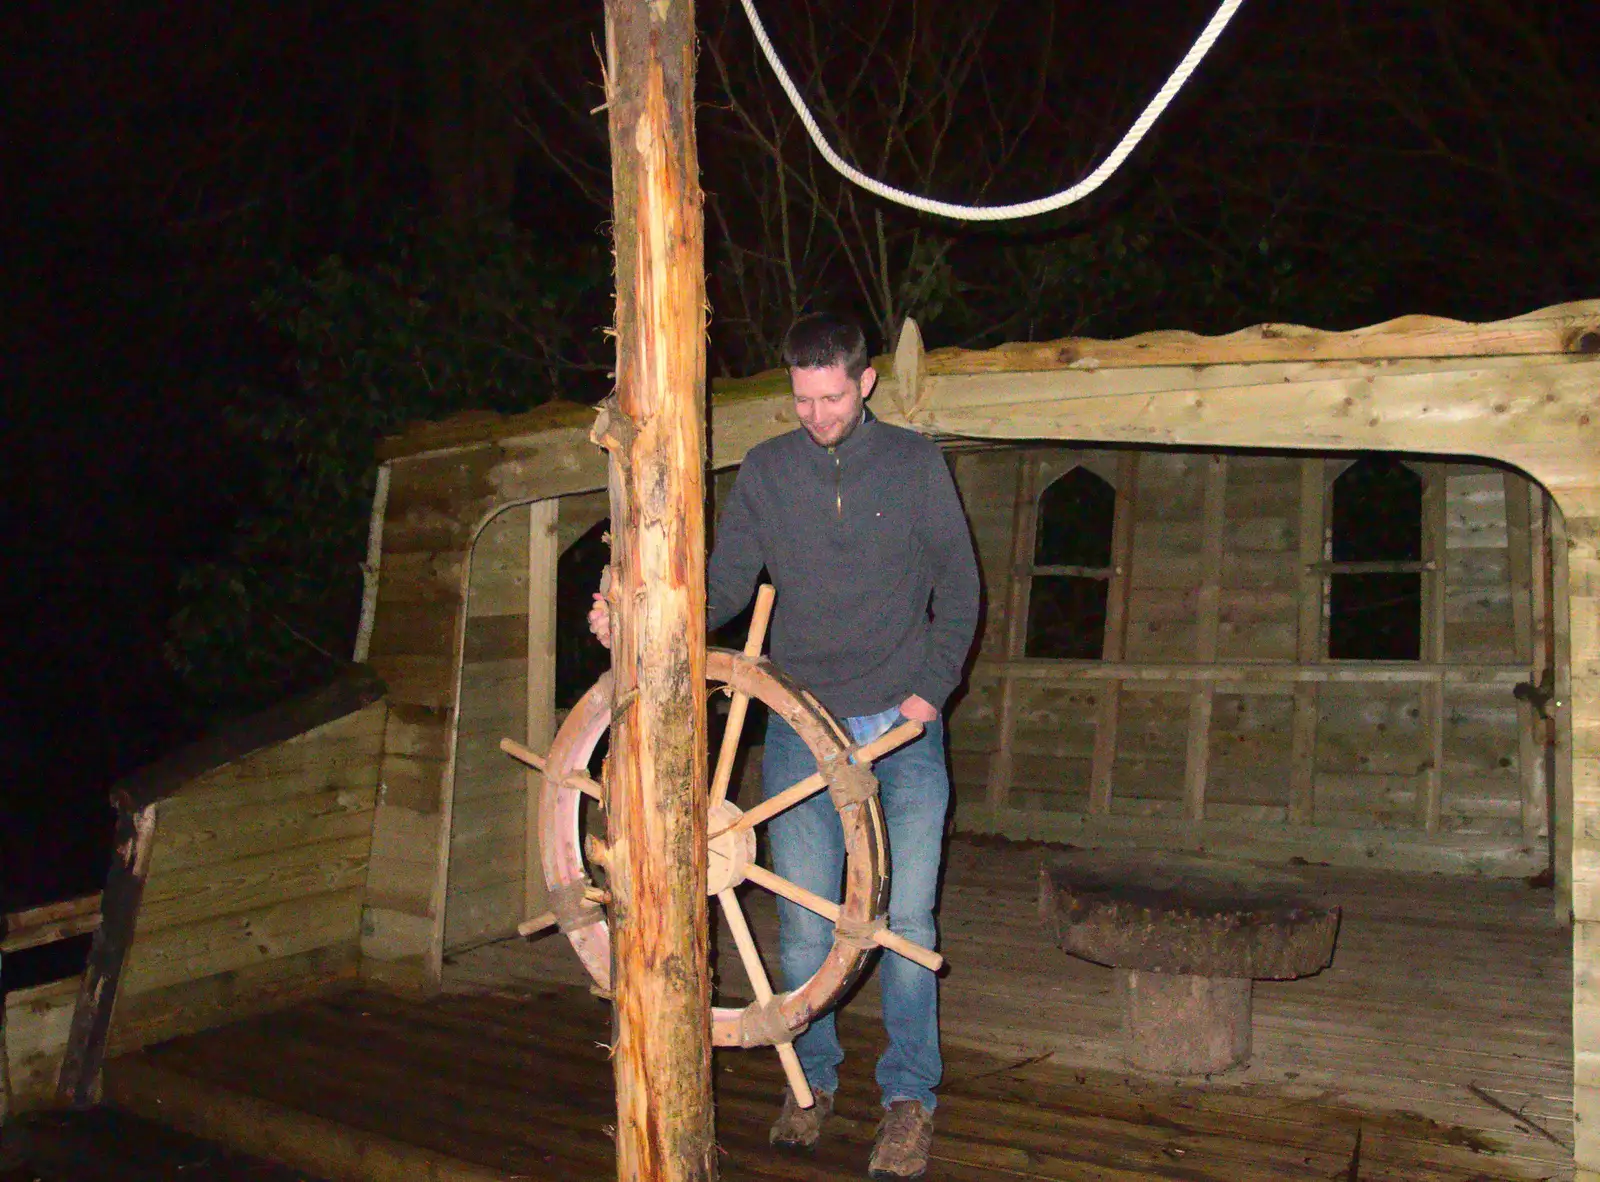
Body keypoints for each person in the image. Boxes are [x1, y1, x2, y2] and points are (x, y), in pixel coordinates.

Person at [590, 312, 979, 1180]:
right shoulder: (766, 472)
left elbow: (960, 582)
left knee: (905, 924)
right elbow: (726, 584)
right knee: (804, 931)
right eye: (801, 399)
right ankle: (811, 1083)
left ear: (865, 382)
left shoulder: (917, 466)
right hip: (801, 726)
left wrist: (933, 688)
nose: (815, 414)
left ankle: (909, 1099)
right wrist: (643, 616)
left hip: (903, 726)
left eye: (831, 397)